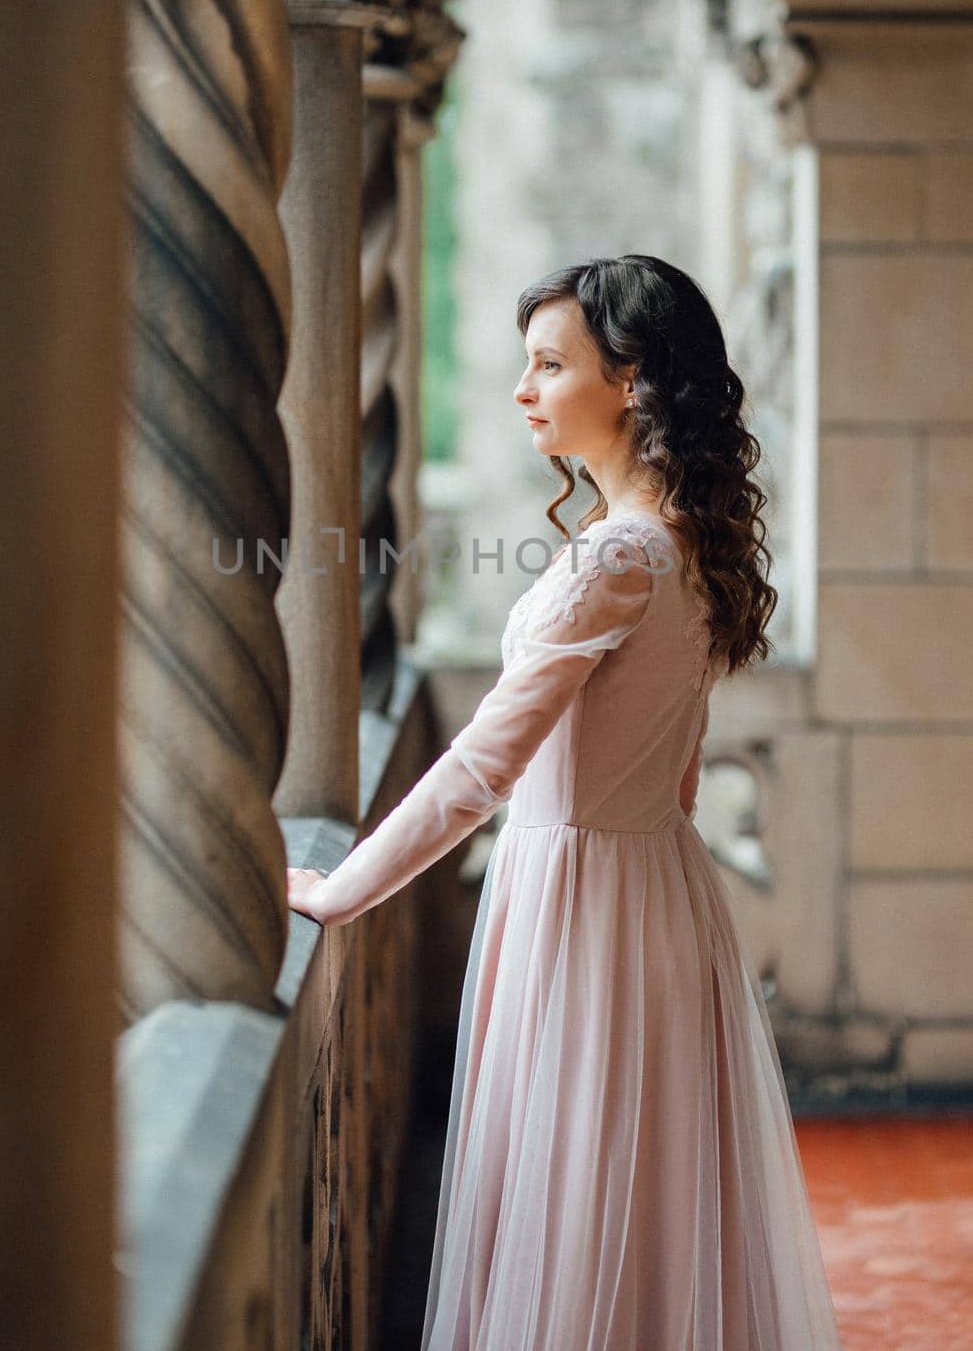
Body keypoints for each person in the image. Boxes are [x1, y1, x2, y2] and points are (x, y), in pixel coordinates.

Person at [287, 255, 844, 1350]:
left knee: (579, 1206)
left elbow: (480, 769)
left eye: (550, 363)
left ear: (631, 381)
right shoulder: (684, 542)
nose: (522, 389)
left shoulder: (615, 560)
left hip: (584, 907)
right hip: (658, 888)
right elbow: (675, 773)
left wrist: (341, 888)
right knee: (637, 1209)